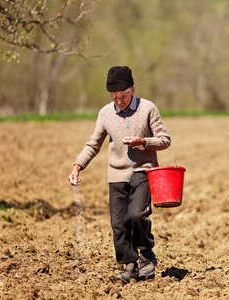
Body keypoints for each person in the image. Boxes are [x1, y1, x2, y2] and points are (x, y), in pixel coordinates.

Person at [67, 66, 171, 283]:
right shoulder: (105, 114)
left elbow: (164, 140)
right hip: (116, 174)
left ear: (132, 90)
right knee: (119, 224)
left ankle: (147, 255)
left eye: (122, 96)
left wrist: (143, 142)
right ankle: (129, 265)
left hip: (143, 171)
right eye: (114, 97)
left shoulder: (148, 109)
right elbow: (94, 144)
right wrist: (78, 165)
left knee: (136, 215)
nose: (118, 101)